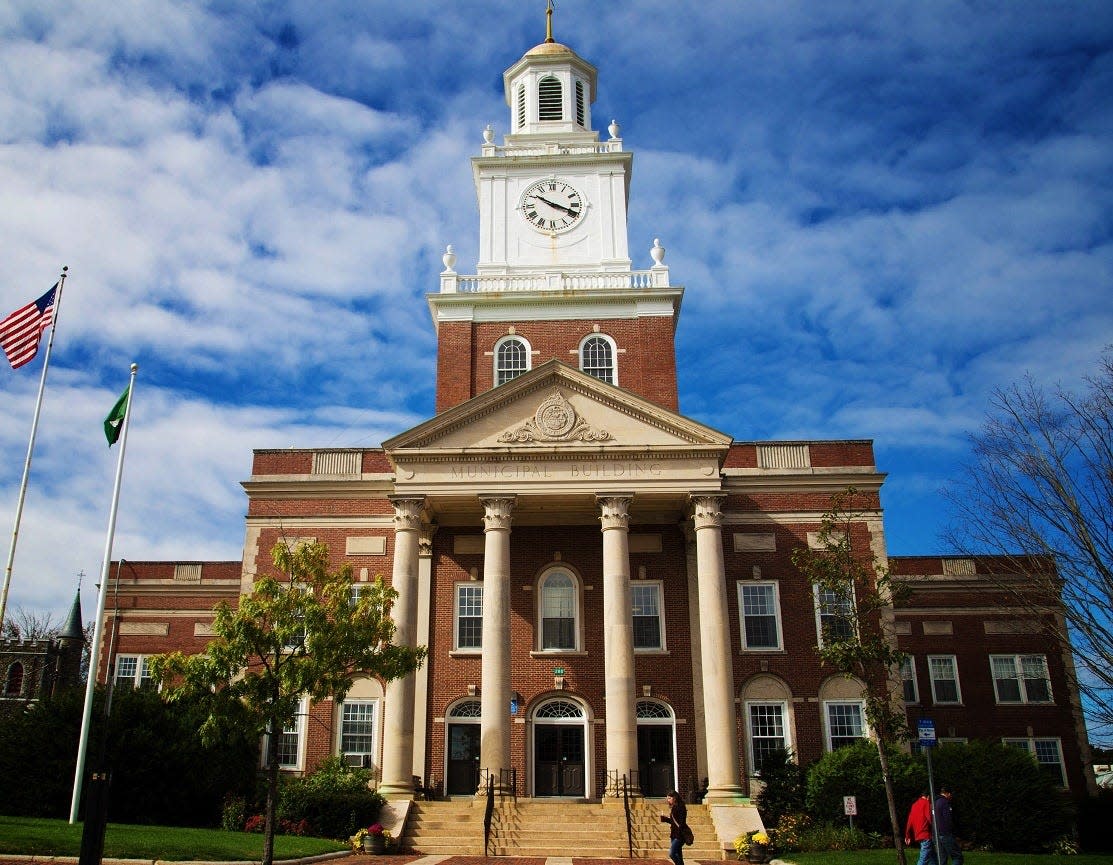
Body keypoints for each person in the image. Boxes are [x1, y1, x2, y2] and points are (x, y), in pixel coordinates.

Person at [904, 792, 936, 865]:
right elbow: (929, 818)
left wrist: (907, 835)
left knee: (932, 857)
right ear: (928, 796)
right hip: (925, 834)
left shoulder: (914, 805)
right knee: (923, 860)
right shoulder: (926, 803)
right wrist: (936, 828)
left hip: (918, 834)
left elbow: (910, 821)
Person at [934, 786, 963, 865]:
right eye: (951, 795)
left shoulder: (935, 802)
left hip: (937, 834)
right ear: (948, 793)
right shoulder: (945, 803)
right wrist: (953, 832)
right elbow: (948, 819)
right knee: (957, 856)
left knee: (942, 858)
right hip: (946, 834)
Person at [661, 789, 688, 865]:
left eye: (669, 798)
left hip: (679, 835)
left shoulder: (681, 807)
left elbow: (682, 822)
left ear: (674, 798)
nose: (668, 800)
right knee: (679, 855)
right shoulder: (674, 807)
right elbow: (673, 822)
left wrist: (679, 834)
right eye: (667, 798)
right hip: (674, 834)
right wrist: (665, 819)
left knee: (672, 853)